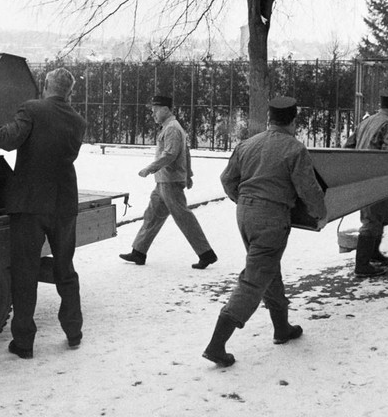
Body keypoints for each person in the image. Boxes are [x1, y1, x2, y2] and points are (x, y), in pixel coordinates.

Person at [202, 96, 327, 367]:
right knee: (254, 278)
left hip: (244, 214)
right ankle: (216, 345)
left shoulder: (247, 144)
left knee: (267, 267)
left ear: (269, 120)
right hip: (271, 217)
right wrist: (320, 214)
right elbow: (308, 189)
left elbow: (227, 179)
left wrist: (244, 199)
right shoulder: (295, 149)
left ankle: (281, 327)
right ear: (293, 121)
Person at [0, 68, 87, 359]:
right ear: (69, 91)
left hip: (29, 204)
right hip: (63, 204)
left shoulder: (32, 109)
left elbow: (9, 139)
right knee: (65, 268)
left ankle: (24, 343)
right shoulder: (78, 121)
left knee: (25, 271)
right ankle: (74, 331)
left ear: (47, 85)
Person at [119, 95, 218, 269]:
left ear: (165, 109)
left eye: (155, 110)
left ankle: (206, 254)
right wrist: (188, 175)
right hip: (164, 181)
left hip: (169, 182)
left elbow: (171, 154)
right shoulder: (171, 127)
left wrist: (150, 168)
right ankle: (138, 252)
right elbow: (185, 152)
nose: (153, 114)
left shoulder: (172, 128)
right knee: (152, 215)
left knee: (183, 217)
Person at [343, 88, 388, 278]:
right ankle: (362, 265)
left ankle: (373, 253)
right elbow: (387, 154)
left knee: (381, 216)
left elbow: (348, 147)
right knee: (371, 220)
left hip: (363, 175)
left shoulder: (366, 121)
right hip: (376, 178)